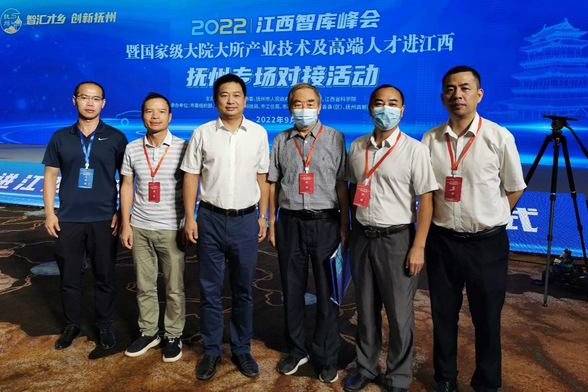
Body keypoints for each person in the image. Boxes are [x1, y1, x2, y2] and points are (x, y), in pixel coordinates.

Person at [421, 66, 526, 392]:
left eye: (465, 88)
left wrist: (491, 216)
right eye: (451, 89)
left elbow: (515, 187)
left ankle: (486, 383)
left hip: (486, 245)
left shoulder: (498, 136)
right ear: (443, 97)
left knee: (487, 319)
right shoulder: (430, 139)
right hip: (442, 242)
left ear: (479, 94)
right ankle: (445, 379)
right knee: (442, 316)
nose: (458, 95)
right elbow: (427, 192)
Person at [343, 84, 438, 392]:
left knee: (399, 314)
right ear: (370, 108)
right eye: (379, 103)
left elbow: (426, 200)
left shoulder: (415, 150)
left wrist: (418, 246)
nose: (386, 109)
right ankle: (366, 367)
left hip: (397, 239)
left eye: (393, 103)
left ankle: (398, 376)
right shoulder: (358, 146)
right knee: (365, 308)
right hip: (362, 237)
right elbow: (352, 188)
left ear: (402, 110)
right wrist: (349, 228)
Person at [181, 73, 270, 381]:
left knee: (244, 289)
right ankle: (211, 350)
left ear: (245, 100)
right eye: (224, 95)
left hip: (246, 220)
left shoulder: (258, 133)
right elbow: (191, 175)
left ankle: (242, 349)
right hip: (210, 219)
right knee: (209, 289)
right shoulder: (203, 133)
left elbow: (262, 177)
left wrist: (263, 216)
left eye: (236, 95)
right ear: (215, 100)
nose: (230, 100)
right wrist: (190, 217)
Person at [267, 83, 350, 384]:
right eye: (298, 104)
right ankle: (297, 349)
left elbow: (342, 184)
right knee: (292, 290)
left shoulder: (335, 138)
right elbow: (274, 183)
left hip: (326, 222)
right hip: (290, 223)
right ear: (290, 107)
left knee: (328, 293)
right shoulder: (281, 140)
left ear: (320, 105)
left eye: (310, 103)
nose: (304, 109)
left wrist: (345, 224)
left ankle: (327, 355)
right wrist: (271, 221)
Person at [43, 81, 127, 350]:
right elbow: (50, 177)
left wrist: (122, 214)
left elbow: (127, 180)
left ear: (104, 103)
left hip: (105, 219)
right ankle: (72, 325)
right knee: (69, 276)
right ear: (74, 100)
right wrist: (49, 213)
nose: (90, 103)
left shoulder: (116, 138)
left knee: (105, 276)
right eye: (84, 97)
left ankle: (104, 324)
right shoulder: (60, 137)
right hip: (68, 219)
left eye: (96, 98)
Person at [119, 92, 188, 362]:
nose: (155, 116)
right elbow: (127, 186)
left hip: (172, 227)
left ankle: (173, 334)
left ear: (170, 116)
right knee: (144, 284)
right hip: (140, 226)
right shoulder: (132, 148)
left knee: (174, 287)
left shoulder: (183, 147)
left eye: (161, 111)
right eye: (149, 111)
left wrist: (189, 221)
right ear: (142, 116)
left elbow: (193, 186)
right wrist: (126, 224)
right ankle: (149, 332)